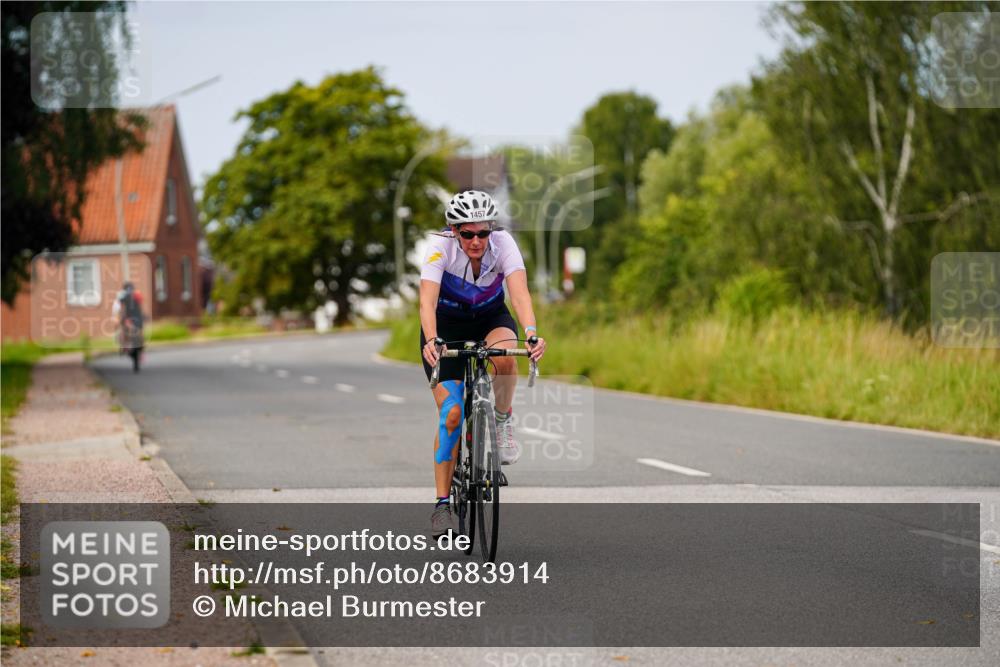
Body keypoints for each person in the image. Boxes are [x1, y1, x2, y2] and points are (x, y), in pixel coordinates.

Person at [419, 190, 547, 539]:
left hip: (490, 319)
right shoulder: (439, 248)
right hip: (445, 328)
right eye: (467, 234)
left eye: (483, 232)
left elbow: (519, 293)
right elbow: (427, 301)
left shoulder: (503, 244)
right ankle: (442, 504)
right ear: (454, 231)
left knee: (506, 355)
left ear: (491, 229)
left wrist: (531, 333)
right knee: (452, 415)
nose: (476, 241)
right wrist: (432, 339)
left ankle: (502, 420)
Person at [112, 282, 144, 351]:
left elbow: (121, 307)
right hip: (136, 316)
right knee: (137, 330)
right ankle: (139, 345)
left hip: (129, 316)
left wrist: (120, 317)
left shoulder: (123, 295)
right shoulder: (136, 294)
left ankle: (125, 345)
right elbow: (140, 305)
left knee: (125, 328)